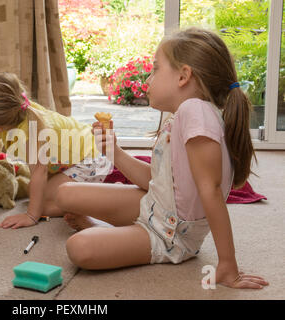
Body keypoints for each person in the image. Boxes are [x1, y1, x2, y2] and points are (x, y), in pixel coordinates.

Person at [56, 27, 269, 289]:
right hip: (156, 204)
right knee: (65, 193)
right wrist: (114, 151)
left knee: (79, 248)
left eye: (155, 68)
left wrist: (227, 264)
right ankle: (117, 230)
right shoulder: (184, 113)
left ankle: (109, 231)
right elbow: (158, 179)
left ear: (184, 76)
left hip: (169, 232)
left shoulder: (195, 112)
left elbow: (211, 191)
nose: (148, 77)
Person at [0, 72, 112, 229]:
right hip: (69, 161)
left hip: (93, 158)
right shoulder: (13, 116)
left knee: (42, 205)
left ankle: (104, 201)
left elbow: (39, 174)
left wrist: (32, 216)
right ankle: (94, 192)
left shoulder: (31, 135)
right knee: (37, 197)